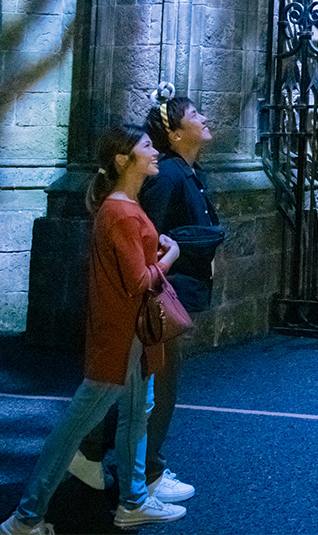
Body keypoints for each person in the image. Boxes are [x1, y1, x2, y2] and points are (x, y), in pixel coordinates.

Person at [0, 125, 187, 534]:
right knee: (75, 429)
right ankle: (25, 519)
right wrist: (170, 254)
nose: (155, 152)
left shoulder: (123, 207)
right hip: (122, 337)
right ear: (123, 160)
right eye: (146, 147)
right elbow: (139, 281)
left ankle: (133, 501)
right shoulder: (120, 211)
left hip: (132, 336)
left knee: (136, 415)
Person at [71, 97, 221, 504]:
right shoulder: (168, 176)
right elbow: (144, 235)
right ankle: (142, 471)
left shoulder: (190, 172)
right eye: (194, 115)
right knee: (155, 382)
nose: (204, 118)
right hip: (160, 290)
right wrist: (169, 259)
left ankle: (93, 454)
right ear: (174, 133)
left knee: (141, 384)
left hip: (174, 286)